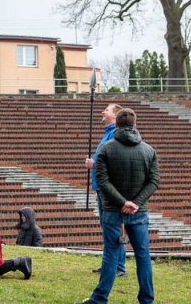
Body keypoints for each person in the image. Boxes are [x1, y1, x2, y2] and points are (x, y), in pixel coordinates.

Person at [77, 108, 159, 304]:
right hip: (139, 212)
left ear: (118, 125)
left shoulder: (106, 148)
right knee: (143, 255)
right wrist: (136, 203)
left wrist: (123, 202)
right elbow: (154, 181)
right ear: (135, 124)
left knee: (111, 253)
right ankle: (147, 300)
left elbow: (102, 180)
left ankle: (99, 299)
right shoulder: (149, 150)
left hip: (113, 210)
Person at [84, 103, 127, 277]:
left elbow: (112, 161)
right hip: (102, 189)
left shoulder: (114, 135)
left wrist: (93, 164)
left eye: (107, 110)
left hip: (110, 190)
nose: (103, 112)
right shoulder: (108, 134)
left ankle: (119, 267)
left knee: (114, 228)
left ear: (116, 116)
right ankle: (109, 264)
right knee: (108, 229)